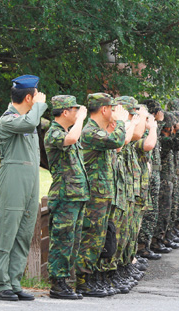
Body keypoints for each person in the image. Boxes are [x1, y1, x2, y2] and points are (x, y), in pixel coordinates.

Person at [0, 74, 48, 301]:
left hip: (30, 180)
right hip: (13, 179)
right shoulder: (9, 119)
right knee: (7, 233)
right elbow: (30, 122)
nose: (39, 99)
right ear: (28, 97)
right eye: (37, 95)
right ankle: (0, 283)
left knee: (23, 233)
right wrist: (40, 105)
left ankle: (14, 282)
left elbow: (34, 123)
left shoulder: (28, 118)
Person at [75, 93, 127, 297]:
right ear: (104, 110)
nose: (115, 113)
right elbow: (118, 139)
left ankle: (93, 277)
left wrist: (116, 125)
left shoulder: (99, 131)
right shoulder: (89, 132)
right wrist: (122, 122)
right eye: (112, 109)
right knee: (91, 237)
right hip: (94, 194)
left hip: (103, 193)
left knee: (101, 238)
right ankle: (82, 281)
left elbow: (118, 144)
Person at [44, 95, 88, 300]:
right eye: (75, 110)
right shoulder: (54, 132)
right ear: (65, 112)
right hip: (64, 195)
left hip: (75, 195)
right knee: (62, 239)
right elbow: (71, 140)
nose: (78, 113)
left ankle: (65, 281)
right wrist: (81, 120)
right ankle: (57, 283)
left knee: (72, 240)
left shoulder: (66, 132)